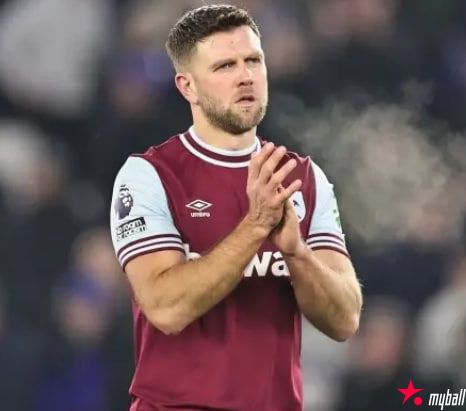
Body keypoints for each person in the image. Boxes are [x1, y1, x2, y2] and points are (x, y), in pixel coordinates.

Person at [110, 4, 363, 411]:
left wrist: (297, 253)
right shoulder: (149, 175)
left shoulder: (303, 177)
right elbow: (166, 307)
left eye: (253, 61)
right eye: (225, 66)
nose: (245, 76)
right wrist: (256, 226)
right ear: (188, 86)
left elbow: (344, 320)